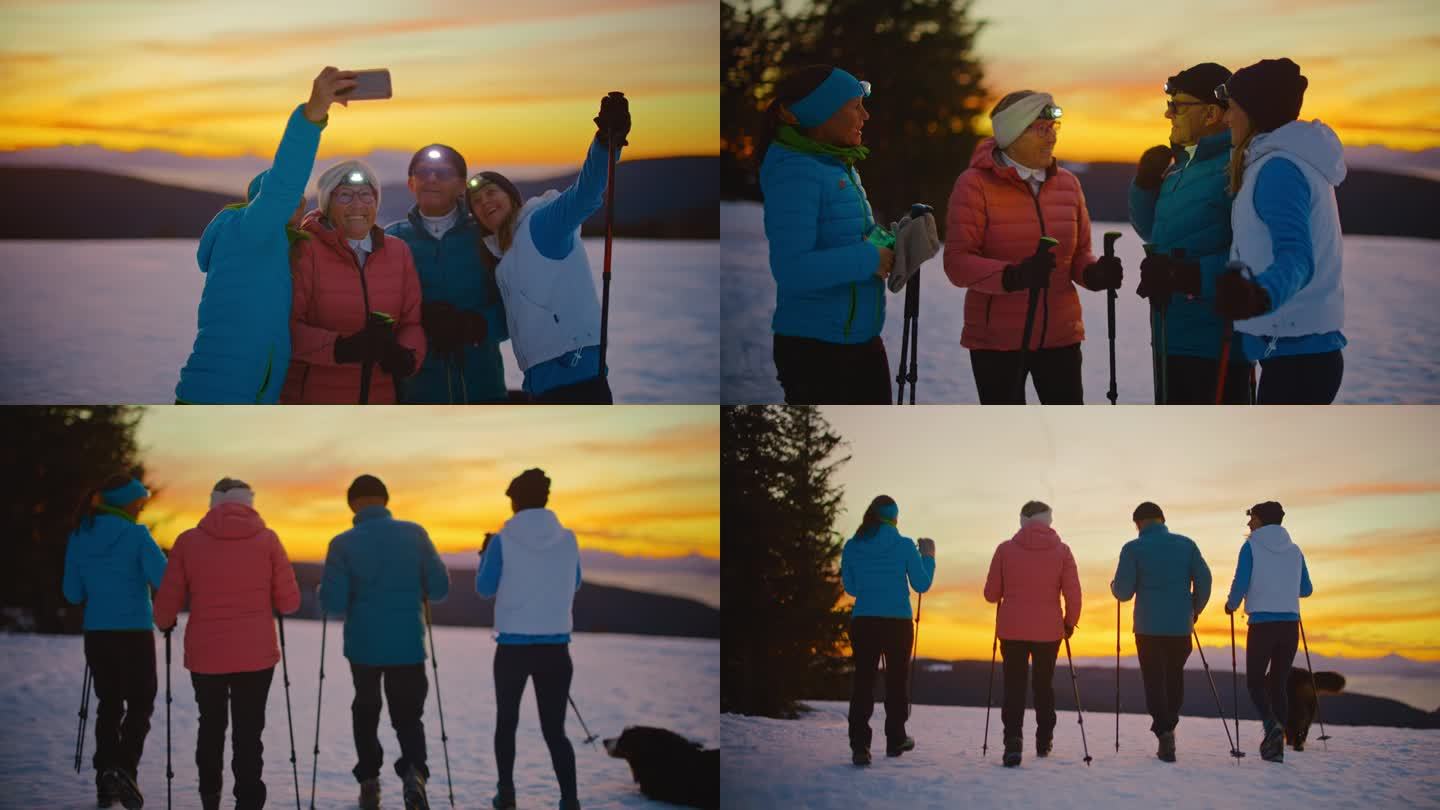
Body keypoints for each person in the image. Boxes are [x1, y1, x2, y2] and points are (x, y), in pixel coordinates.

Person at [176, 67, 356, 404]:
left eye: (302, 203)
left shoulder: (273, 248)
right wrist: (313, 114)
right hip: (217, 396)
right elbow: (285, 180)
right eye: (291, 200)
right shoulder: (249, 230)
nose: (299, 205)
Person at [944, 90, 1121, 404]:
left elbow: (1079, 253)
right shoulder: (974, 185)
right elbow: (958, 263)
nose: (1051, 137)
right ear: (1012, 133)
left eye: (1053, 128)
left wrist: (1094, 274)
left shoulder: (1068, 184)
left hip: (1061, 338)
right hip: (996, 342)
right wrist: (1014, 276)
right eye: (1041, 128)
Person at [464, 93, 629, 404]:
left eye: (491, 192)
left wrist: (606, 143)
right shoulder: (502, 260)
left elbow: (586, 194)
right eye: (476, 201)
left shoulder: (540, 225)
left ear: (511, 196)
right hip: (539, 383)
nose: (485, 202)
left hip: (577, 374)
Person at [152, 479, 301, 810]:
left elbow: (167, 600)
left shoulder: (188, 541)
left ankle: (210, 797)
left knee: (211, 725)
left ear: (213, 502)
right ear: (248, 502)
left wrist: (164, 622)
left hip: (206, 655)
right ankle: (248, 801)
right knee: (248, 732)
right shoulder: (268, 540)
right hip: (257, 655)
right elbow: (289, 602)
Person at [757, 65, 895, 404]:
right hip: (817, 350)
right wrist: (871, 258)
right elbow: (792, 268)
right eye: (855, 106)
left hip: (858, 340)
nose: (866, 115)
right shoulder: (795, 171)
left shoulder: (838, 164)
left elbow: (848, 238)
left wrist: (892, 243)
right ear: (823, 112)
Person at [1213, 59, 1347, 404]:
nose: (1226, 118)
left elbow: (1298, 257)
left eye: (1232, 108)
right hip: (1293, 352)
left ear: (1255, 112)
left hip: (1298, 359)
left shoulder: (1280, 170)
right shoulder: (1283, 161)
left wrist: (1258, 295)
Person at [321, 475, 450, 808]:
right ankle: (414, 773)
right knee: (408, 715)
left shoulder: (342, 543)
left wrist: (325, 591)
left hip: (363, 646)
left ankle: (368, 777)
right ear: (385, 500)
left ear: (353, 504)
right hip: (407, 643)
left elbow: (334, 603)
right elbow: (438, 589)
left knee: (366, 708)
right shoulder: (415, 534)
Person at [1129, 63, 1255, 404]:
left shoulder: (1236, 167)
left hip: (1218, 343)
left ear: (1212, 112)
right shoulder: (1183, 165)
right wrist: (1145, 185)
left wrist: (1185, 275)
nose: (1168, 113)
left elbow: (1253, 258)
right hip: (1171, 332)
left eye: (1178, 105)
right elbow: (1155, 232)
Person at [475, 469, 584, 810]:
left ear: (514, 501)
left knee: (506, 723)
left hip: (513, 650)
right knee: (556, 731)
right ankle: (569, 800)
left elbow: (484, 588)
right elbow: (575, 583)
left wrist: (486, 557)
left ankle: (506, 794)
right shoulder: (568, 539)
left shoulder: (502, 541)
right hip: (556, 650)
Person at [279, 160, 426, 403]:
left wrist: (408, 356)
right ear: (327, 204)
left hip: (381, 401)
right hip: (314, 402)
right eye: (344, 196)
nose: (357, 205)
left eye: (366, 196)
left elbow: (412, 322)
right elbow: (284, 327)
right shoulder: (304, 250)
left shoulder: (398, 251)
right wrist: (340, 348)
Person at [62, 474, 167, 808]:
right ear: (128, 503)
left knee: (109, 703)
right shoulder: (137, 535)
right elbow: (163, 577)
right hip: (135, 632)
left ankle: (106, 776)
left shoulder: (80, 535)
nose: (141, 508)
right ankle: (124, 769)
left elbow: (72, 593)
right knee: (141, 701)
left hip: (98, 634)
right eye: (139, 503)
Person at [385, 145, 511, 403]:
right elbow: (379, 308)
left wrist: (475, 325)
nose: (431, 178)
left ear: (462, 186)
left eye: (442, 173)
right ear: (411, 183)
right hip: (419, 391)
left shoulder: (487, 236)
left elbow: (515, 308)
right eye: (423, 172)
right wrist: (416, 323)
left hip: (482, 387)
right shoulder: (392, 240)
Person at [1110, 502, 1212, 762]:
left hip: (1148, 628)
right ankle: (1170, 725)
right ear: (1162, 519)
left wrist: (1113, 586)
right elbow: (1205, 580)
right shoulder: (1187, 545)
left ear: (1139, 523)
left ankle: (1164, 730)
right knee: (1174, 675)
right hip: (1180, 626)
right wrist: (1194, 609)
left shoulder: (1133, 549)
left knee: (1154, 680)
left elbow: (1123, 592)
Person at [983, 500, 1081, 767]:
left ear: (1023, 520)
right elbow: (1073, 593)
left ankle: (1013, 742)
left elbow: (991, 594)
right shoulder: (1063, 551)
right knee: (1043, 685)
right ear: (1048, 520)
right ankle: (1044, 738)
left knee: (1014, 687)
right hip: (1049, 631)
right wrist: (1070, 622)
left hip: (1012, 629)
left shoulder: (1004, 550)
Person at [839, 496, 935, 766]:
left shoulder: (853, 546)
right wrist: (928, 557)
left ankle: (860, 746)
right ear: (894, 518)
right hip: (897, 622)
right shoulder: (905, 546)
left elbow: (852, 588)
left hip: (865, 621)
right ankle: (895, 739)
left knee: (863, 683)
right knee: (895, 682)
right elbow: (921, 584)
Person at [1224, 500, 1314, 763]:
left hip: (1262, 625)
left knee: (1255, 681)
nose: (1249, 522)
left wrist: (1231, 605)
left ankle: (1271, 726)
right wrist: (1282, 585)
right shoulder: (1295, 550)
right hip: (1289, 625)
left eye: (1252, 517)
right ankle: (1279, 741)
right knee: (1278, 683)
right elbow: (1305, 589)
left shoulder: (1251, 546)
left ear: (1262, 520)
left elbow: (1240, 582)